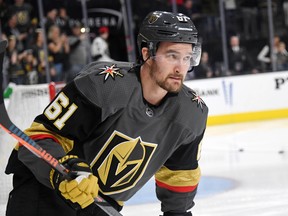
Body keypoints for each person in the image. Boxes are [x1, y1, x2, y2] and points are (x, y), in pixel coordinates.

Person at [5, 11, 208, 216]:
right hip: (46, 192)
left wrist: (177, 213)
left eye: (187, 57)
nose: (180, 67)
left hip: (102, 205)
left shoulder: (191, 113)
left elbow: (180, 176)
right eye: (172, 55)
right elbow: (37, 139)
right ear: (147, 53)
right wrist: (64, 171)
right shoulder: (104, 86)